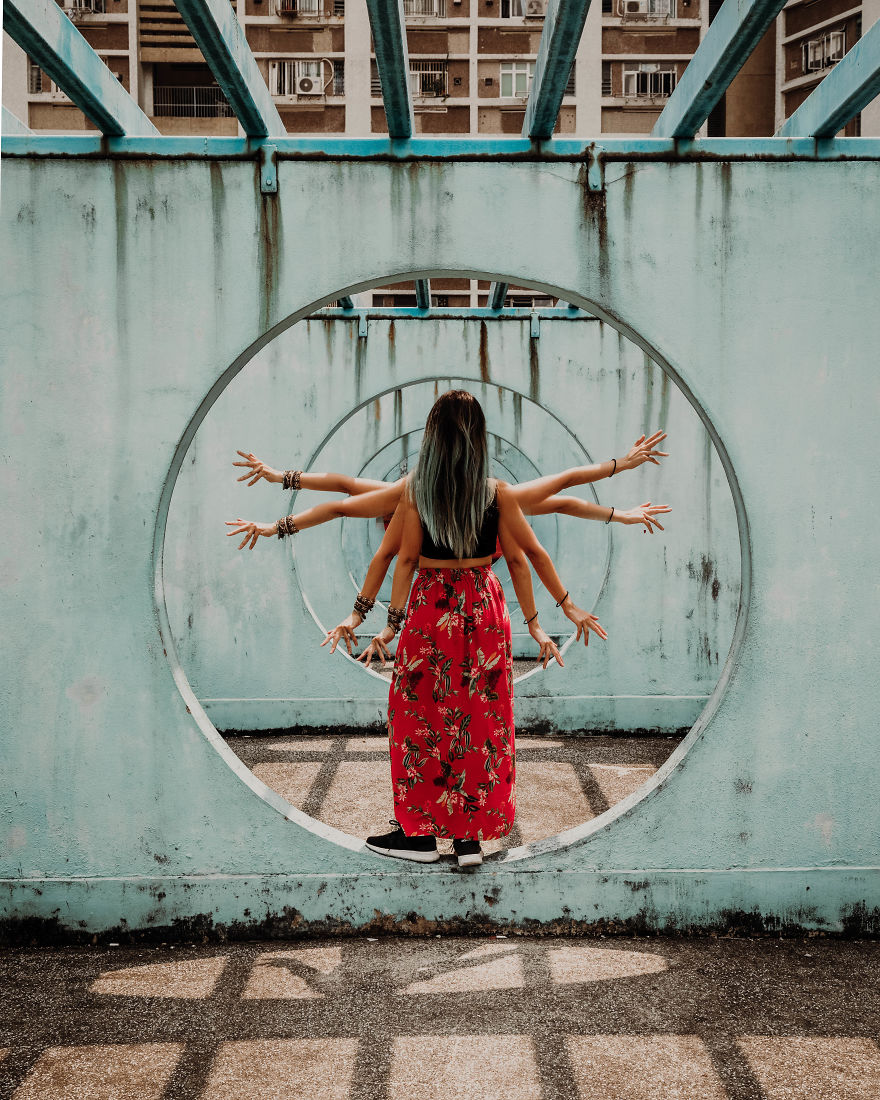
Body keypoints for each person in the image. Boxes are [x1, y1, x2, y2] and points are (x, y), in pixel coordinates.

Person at [337, 390, 605, 867]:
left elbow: (399, 557)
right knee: (480, 719)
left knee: (418, 716)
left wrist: (384, 623)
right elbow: (526, 558)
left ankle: (418, 835)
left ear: (432, 439)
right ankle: (469, 841)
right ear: (478, 439)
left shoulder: (416, 491)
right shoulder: (496, 493)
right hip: (482, 606)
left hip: (431, 607)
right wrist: (550, 619)